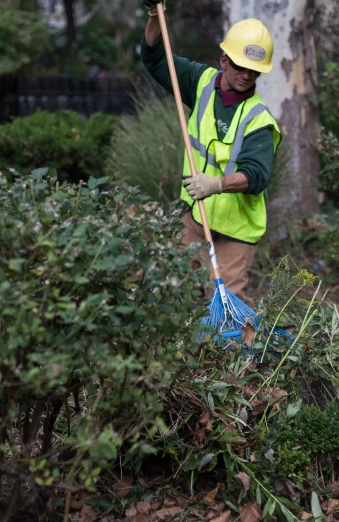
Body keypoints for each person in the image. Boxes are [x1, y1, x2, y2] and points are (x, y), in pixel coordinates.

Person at [140, 0, 282, 308]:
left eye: (255, 71)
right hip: (194, 219)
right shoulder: (200, 82)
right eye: (241, 66)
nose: (247, 75)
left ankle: (241, 356)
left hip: (235, 231)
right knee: (177, 295)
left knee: (229, 307)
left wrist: (215, 184)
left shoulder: (260, 120)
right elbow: (153, 56)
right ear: (224, 61)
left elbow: (257, 176)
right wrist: (154, 15)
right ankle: (182, 355)